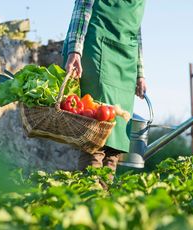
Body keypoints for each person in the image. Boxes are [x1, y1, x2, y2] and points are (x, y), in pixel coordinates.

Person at [62, 0, 147, 172]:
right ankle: (90, 194)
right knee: (95, 137)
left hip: (126, 60)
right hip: (98, 47)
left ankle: (105, 196)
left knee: (115, 145)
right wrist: (75, 50)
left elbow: (136, 28)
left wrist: (140, 72)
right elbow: (83, 6)